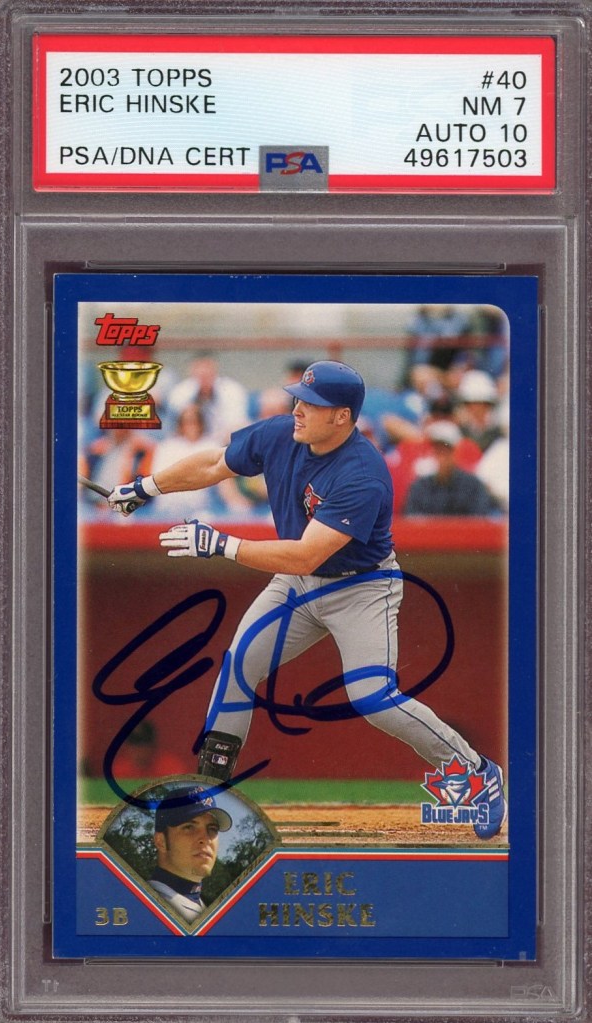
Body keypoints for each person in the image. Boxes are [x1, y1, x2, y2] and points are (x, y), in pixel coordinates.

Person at [108, 361, 507, 840]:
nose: (297, 409)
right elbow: (215, 463)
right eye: (298, 398)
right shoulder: (281, 433)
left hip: (359, 588)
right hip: (297, 585)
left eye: (311, 404)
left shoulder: (363, 473)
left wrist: (222, 544)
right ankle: (210, 796)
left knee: (372, 697)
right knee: (239, 665)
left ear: (342, 416)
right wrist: (145, 487)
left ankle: (477, 771)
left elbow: (307, 554)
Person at [149, 783, 232, 924]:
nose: (205, 838)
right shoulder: (145, 904)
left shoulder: (202, 906)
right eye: (189, 827)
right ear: (161, 841)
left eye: (212, 829)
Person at [404, 421, 498, 516]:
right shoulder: (420, 487)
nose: (441, 457)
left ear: (455, 452)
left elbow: (479, 519)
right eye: (437, 450)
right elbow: (412, 518)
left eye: (446, 451)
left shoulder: (473, 486)